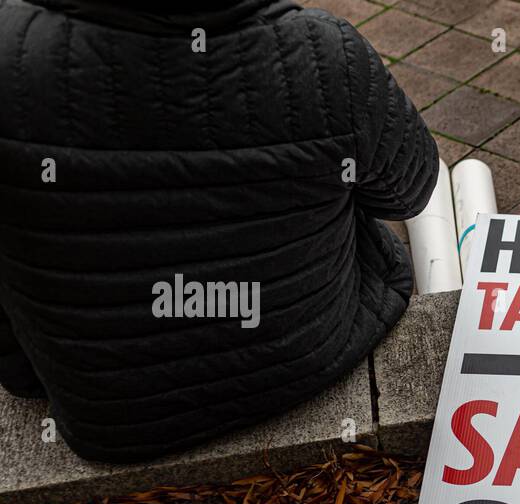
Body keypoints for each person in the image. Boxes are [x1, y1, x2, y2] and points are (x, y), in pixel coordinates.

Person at [0, 0, 437, 462]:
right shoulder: (325, 54)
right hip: (307, 357)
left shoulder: (10, 55)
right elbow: (408, 194)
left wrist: (25, 376)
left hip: (115, 416)